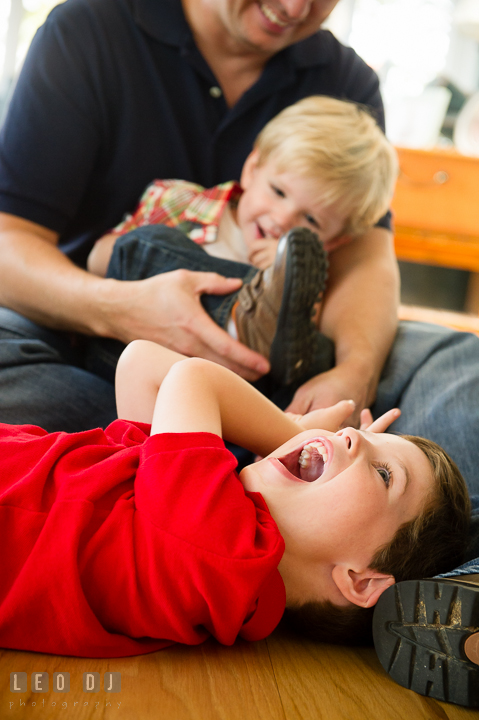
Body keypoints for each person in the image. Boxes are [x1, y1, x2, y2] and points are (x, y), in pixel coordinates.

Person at [0, 339, 471, 658]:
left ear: (362, 582)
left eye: (386, 474)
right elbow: (140, 365)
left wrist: (291, 433)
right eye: (359, 435)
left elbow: (192, 378)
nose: (350, 435)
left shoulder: (222, 552)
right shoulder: (177, 526)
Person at [86, 95, 397, 385]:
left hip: (220, 389)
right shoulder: (181, 202)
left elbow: (297, 339)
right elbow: (101, 261)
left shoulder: (305, 268)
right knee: (145, 243)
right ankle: (240, 318)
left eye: (311, 220)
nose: (282, 219)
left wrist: (276, 273)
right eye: (278, 192)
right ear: (252, 169)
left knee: (320, 352)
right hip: (126, 360)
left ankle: (256, 316)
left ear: (334, 241)